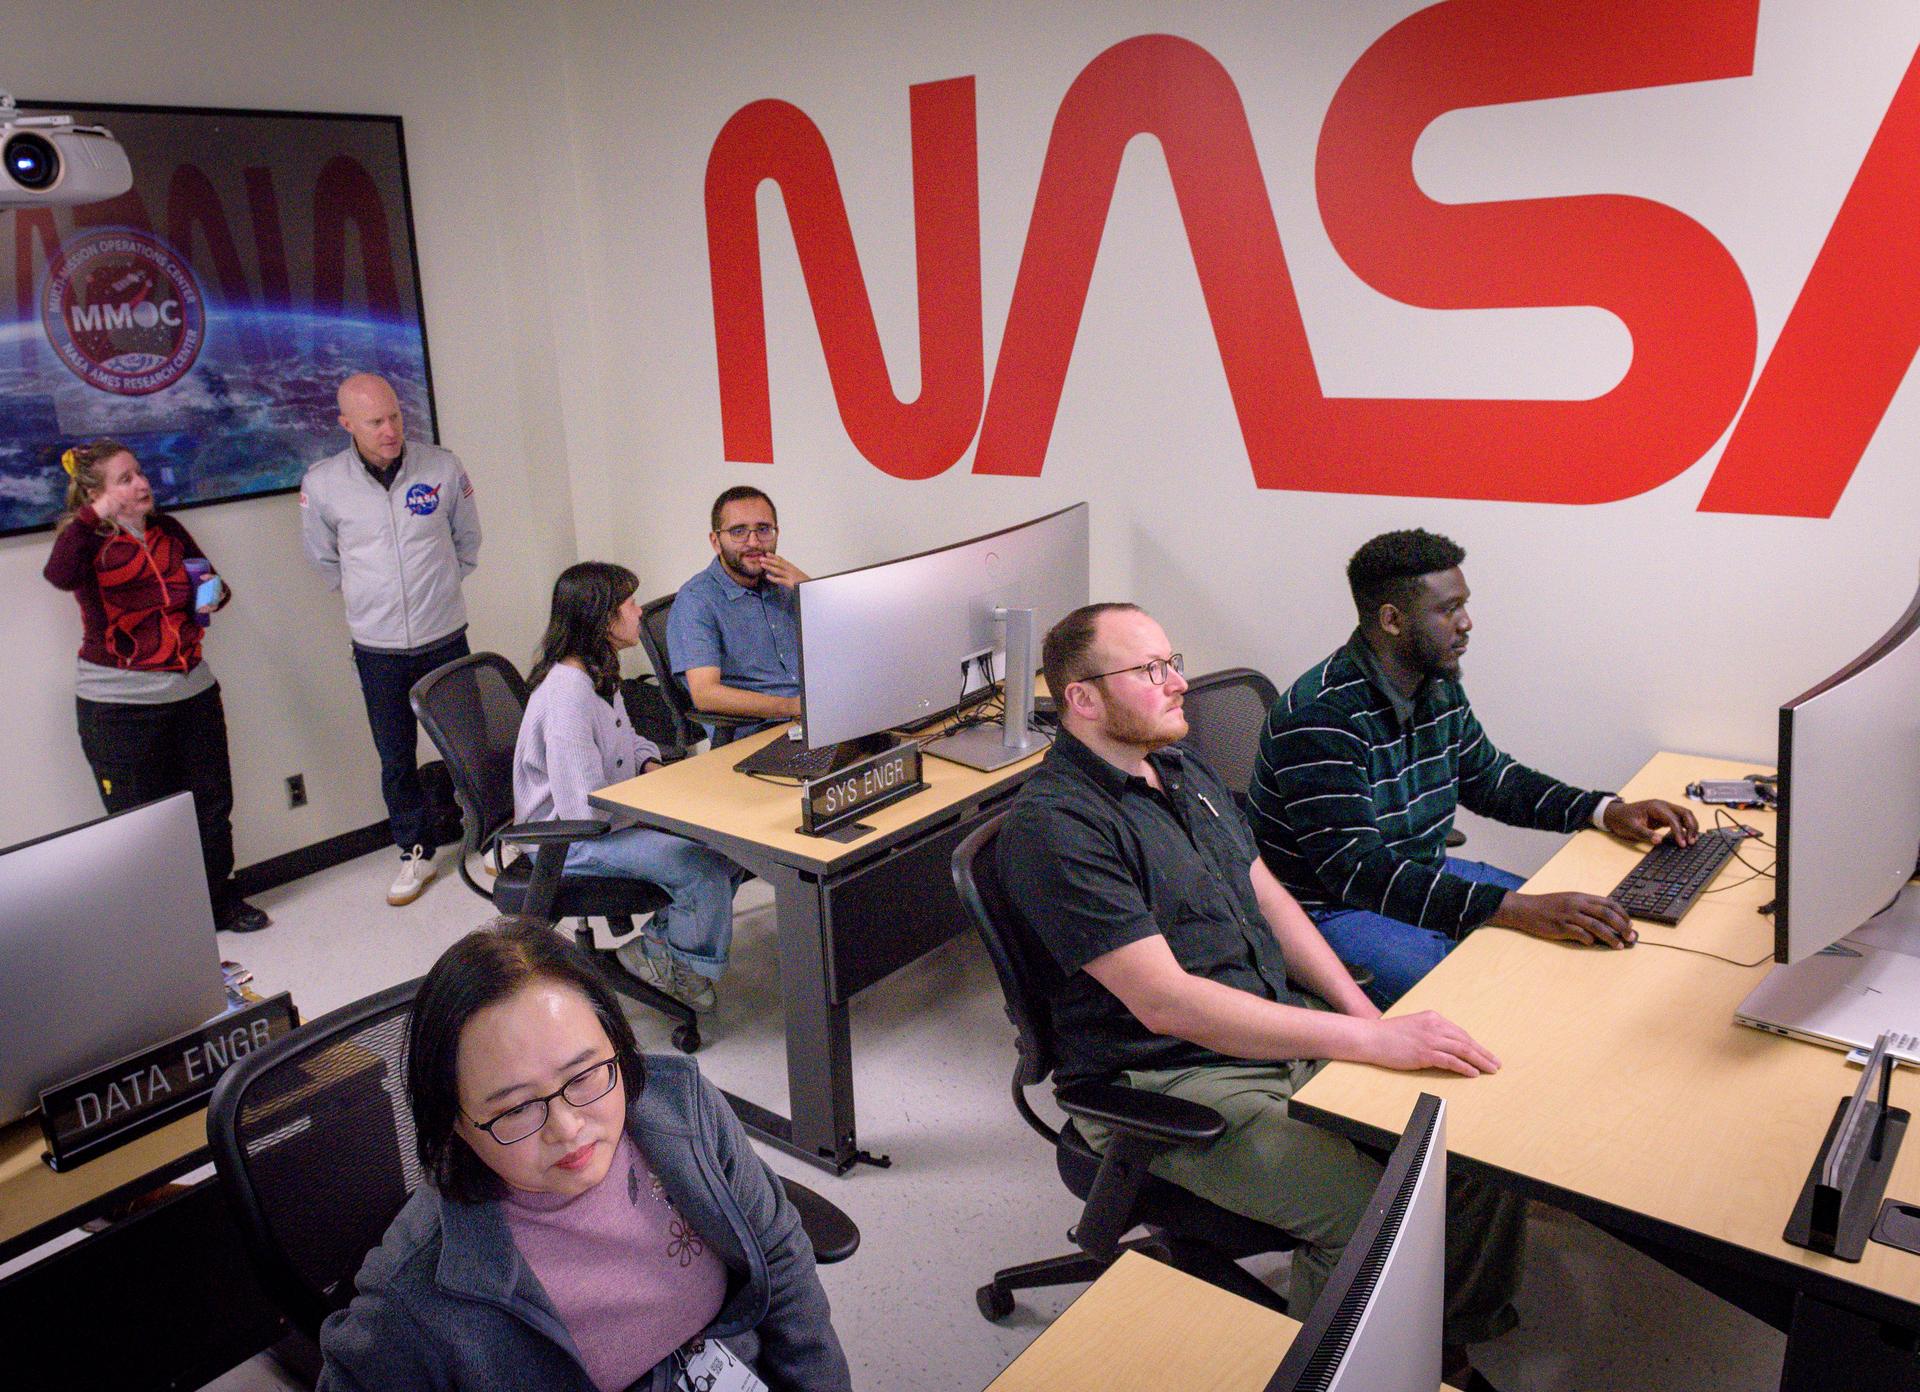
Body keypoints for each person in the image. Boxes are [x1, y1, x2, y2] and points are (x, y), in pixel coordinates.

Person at [995, 602, 1525, 1383]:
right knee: (1369, 1221)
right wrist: (1368, 1041)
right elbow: (1168, 1004)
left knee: (1478, 1144)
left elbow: (1267, 895)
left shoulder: (1178, 769)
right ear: (1082, 698)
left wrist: (1366, 1016)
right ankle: (1340, 1374)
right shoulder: (1057, 827)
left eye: (1173, 662)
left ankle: (1441, 1342)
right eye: (1150, 670)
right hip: (1167, 1074)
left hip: (1273, 1025)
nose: (1179, 683)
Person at [318, 917, 851, 1392]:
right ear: (457, 1124)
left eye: (584, 1075)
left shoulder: (682, 1110)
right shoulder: (414, 1287)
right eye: (516, 1109)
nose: (568, 1128)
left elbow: (781, 1256)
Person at [1249, 529, 1699, 1008]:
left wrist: (1603, 811)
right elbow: (1359, 872)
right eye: (1448, 609)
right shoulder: (1321, 716)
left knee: (1584, 936)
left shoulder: (1434, 684)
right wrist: (1513, 909)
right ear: (1392, 620)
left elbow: (1491, 780)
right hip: (1329, 911)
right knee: (1494, 998)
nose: (1466, 623)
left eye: (1464, 605)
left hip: (1419, 872)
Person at [43, 440, 270, 934]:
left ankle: (220, 901)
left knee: (212, 807)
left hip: (192, 691)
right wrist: (93, 515)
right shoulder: (86, 540)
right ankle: (166, 924)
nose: (143, 484)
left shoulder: (167, 529)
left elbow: (213, 584)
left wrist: (208, 597)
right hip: (119, 705)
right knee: (143, 824)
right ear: (96, 493)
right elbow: (58, 575)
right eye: (125, 479)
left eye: (140, 473)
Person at [514, 563, 746, 1013]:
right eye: (631, 604)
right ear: (603, 619)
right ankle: (672, 959)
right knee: (703, 867)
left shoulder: (596, 672)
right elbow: (584, 810)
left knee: (731, 845)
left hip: (610, 818)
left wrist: (649, 763)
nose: (640, 612)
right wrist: (659, 808)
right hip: (569, 840)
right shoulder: (567, 697)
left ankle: (657, 948)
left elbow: (628, 738)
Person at [300, 372, 482, 907]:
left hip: (443, 636)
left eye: (395, 416)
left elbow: (468, 540)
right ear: (347, 424)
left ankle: (493, 833)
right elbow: (324, 559)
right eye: (375, 421)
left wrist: (437, 590)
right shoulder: (323, 484)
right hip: (377, 649)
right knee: (395, 755)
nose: (390, 430)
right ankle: (415, 850)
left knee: (469, 743)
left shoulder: (441, 467)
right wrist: (372, 601)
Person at [666, 486, 807, 736]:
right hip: (757, 732)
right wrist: (793, 707)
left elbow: (845, 648)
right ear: (716, 542)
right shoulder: (696, 600)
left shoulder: (785, 583)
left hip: (808, 720)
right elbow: (705, 694)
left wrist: (811, 590)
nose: (754, 542)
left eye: (763, 529)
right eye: (738, 531)